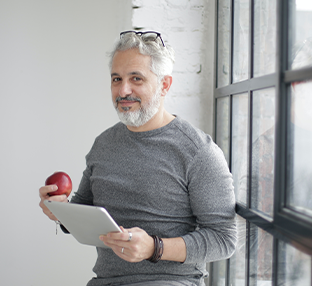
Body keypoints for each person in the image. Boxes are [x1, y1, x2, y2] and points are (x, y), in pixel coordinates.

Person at [38, 31, 238, 286]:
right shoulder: (103, 144)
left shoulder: (198, 151)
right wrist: (60, 210)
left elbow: (224, 239)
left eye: (136, 79)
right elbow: (86, 211)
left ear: (165, 85)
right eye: (116, 79)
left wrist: (155, 248)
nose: (123, 90)